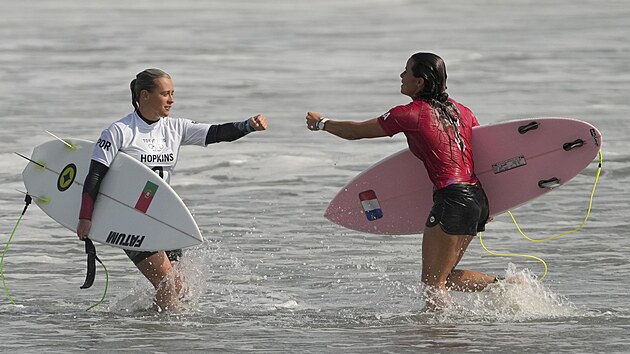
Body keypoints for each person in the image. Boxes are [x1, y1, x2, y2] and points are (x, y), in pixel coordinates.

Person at [305, 52, 499, 310]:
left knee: (434, 284)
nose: (401, 75)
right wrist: (492, 204)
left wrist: (322, 123)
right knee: (445, 276)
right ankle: (509, 286)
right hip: (477, 199)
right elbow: (483, 155)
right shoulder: (463, 111)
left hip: (451, 199)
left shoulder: (409, 114)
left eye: (406, 71)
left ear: (419, 82)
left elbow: (356, 132)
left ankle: (438, 337)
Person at [76, 68, 268, 312]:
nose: (172, 100)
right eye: (165, 93)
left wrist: (247, 125)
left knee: (181, 288)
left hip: (163, 215)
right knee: (168, 283)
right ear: (145, 95)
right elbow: (95, 175)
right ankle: (165, 337)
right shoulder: (119, 131)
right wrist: (85, 217)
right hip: (131, 218)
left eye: (173, 93)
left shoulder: (176, 128)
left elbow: (217, 133)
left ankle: (147, 326)